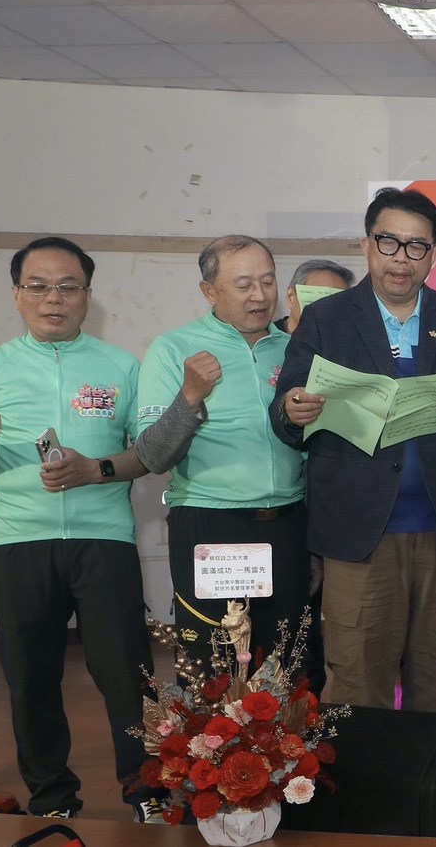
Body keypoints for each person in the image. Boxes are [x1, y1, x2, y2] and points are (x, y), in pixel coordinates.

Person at [0, 236, 171, 822]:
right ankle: (53, 799)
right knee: (31, 678)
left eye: (67, 286)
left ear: (87, 295)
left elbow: (148, 452)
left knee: (127, 673)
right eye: (38, 286)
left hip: (105, 541)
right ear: (16, 294)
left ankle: (149, 792)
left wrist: (96, 469)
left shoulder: (122, 365)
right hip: (20, 542)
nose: (53, 298)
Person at [270, 187, 436, 718]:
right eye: (389, 242)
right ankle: (364, 778)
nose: (401, 258)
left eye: (417, 247)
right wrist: (293, 409)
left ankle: (435, 776)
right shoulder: (327, 319)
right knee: (357, 684)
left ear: (433, 256)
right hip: (359, 533)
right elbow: (285, 408)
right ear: (366, 245)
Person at [137, 235, 313, 685]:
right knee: (213, 670)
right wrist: (190, 396)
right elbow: (153, 454)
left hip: (288, 524)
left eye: (268, 282)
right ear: (209, 291)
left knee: (290, 664)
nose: (260, 296)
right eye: (244, 285)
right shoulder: (174, 348)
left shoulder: (295, 348)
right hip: (211, 525)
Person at [276, 259, 355, 335]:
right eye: (318, 301)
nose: (325, 312)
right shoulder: (269, 337)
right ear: (290, 297)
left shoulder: (350, 339)